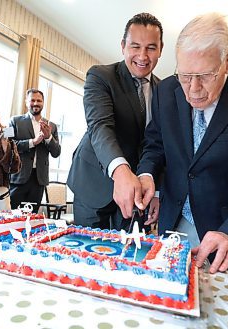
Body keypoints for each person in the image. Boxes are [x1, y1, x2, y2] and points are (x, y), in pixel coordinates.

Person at [118, 13, 228, 275]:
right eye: (185, 76)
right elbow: (156, 144)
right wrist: (147, 174)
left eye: (206, 76)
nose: (193, 89)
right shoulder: (165, 92)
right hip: (173, 226)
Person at [67, 13, 163, 230]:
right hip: (93, 182)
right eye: (135, 46)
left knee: (128, 255)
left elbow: (160, 144)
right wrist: (120, 171)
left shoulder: (165, 91)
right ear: (123, 46)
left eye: (151, 48)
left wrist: (157, 191)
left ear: (160, 49)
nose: (142, 55)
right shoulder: (101, 76)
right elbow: (100, 126)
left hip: (137, 193)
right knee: (87, 255)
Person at [9, 89, 61, 212]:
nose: (36, 103)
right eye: (32, 100)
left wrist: (48, 137)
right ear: (26, 102)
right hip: (18, 176)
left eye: (39, 100)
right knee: (12, 215)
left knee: (32, 217)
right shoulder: (13, 120)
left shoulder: (52, 126)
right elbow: (7, 145)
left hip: (39, 180)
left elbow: (56, 152)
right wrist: (33, 142)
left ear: (43, 103)